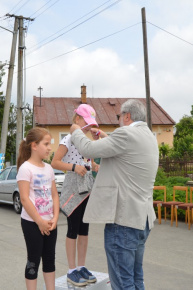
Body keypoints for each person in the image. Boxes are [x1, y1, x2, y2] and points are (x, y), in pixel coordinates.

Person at [70, 99, 159, 290]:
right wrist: (106, 136)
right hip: (141, 219)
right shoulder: (149, 136)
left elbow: (87, 149)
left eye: (119, 116)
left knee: (122, 283)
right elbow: (125, 153)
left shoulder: (125, 134)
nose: (118, 119)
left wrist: (76, 130)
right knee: (136, 279)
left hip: (123, 221)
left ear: (127, 116)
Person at [51, 104, 99, 287]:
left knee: (84, 229)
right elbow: (55, 162)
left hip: (86, 185)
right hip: (72, 185)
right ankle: (71, 270)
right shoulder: (68, 140)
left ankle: (81, 266)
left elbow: (91, 161)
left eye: (90, 124)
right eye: (85, 122)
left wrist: (94, 165)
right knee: (73, 228)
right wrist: (73, 167)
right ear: (77, 119)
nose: (87, 127)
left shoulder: (86, 142)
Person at [16, 127, 60, 290]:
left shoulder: (48, 168)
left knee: (50, 259)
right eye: (46, 144)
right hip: (32, 223)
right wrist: (39, 221)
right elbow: (25, 199)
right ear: (34, 145)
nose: (49, 148)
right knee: (34, 260)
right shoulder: (25, 169)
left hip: (50, 223)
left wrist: (55, 219)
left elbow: (55, 195)